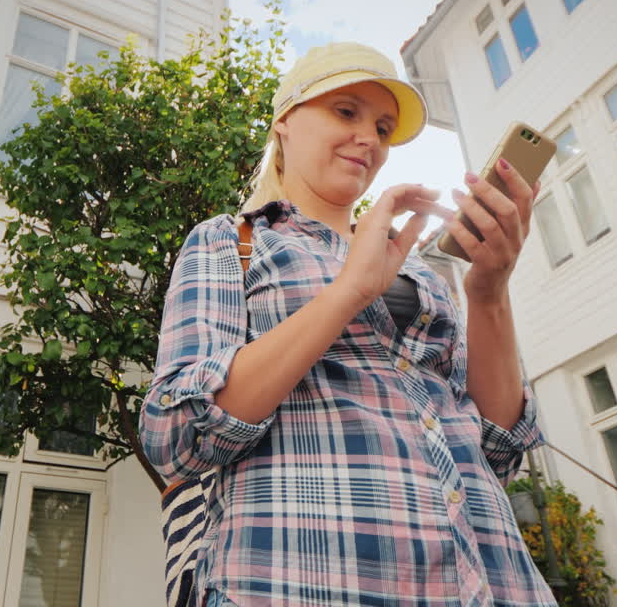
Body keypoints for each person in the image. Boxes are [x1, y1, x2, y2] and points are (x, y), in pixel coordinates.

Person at [140, 42, 557, 606]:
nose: (370, 139)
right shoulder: (229, 240)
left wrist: (488, 293)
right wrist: (349, 291)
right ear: (285, 121)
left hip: (491, 581)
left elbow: (496, 450)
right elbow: (174, 436)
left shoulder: (419, 269)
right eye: (346, 112)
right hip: (304, 583)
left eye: (383, 128)